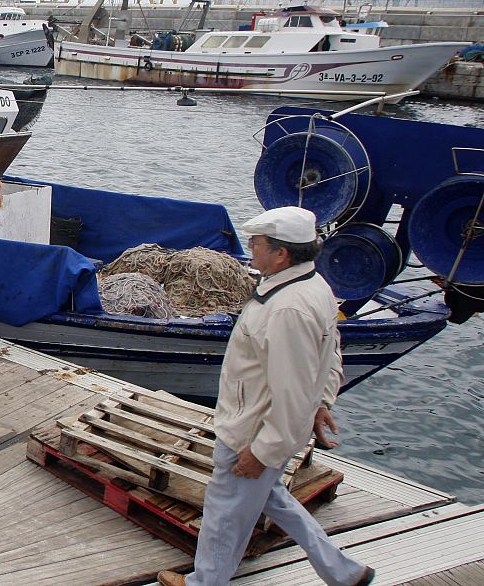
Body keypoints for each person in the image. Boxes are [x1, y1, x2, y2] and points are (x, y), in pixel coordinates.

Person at [157, 206, 374, 586]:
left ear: (281, 253)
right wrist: (322, 402)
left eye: (256, 244)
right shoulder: (314, 287)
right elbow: (330, 351)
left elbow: (290, 391)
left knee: (225, 512)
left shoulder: (287, 309)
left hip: (251, 430)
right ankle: (344, 573)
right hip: (267, 425)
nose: (251, 249)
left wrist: (262, 452)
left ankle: (203, 583)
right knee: (272, 497)